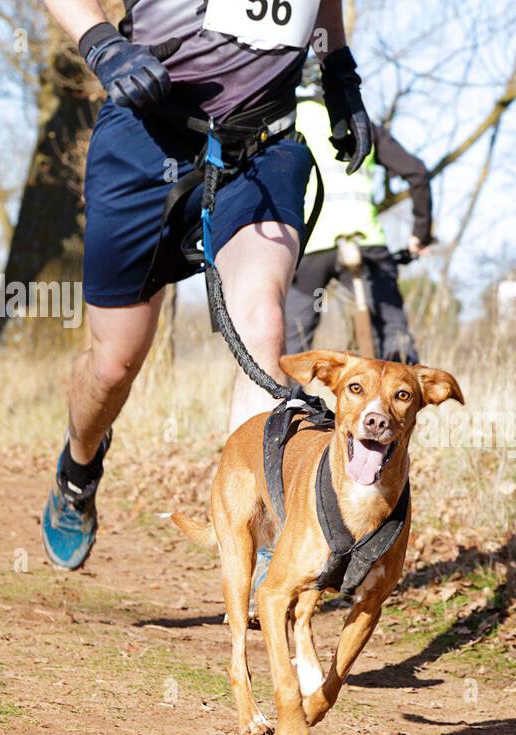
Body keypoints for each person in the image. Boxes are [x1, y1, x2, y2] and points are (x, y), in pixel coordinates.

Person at [40, 0, 371, 571]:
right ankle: (79, 467)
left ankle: (258, 543)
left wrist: (338, 70)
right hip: (145, 136)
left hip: (261, 147)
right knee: (114, 363)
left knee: (263, 321)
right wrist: (100, 43)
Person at [284, 59, 433, 364]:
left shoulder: (292, 120)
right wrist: (420, 234)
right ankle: (400, 400)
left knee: (295, 339)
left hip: (313, 246)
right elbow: (417, 173)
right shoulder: (359, 120)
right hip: (366, 243)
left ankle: (289, 404)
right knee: (392, 329)